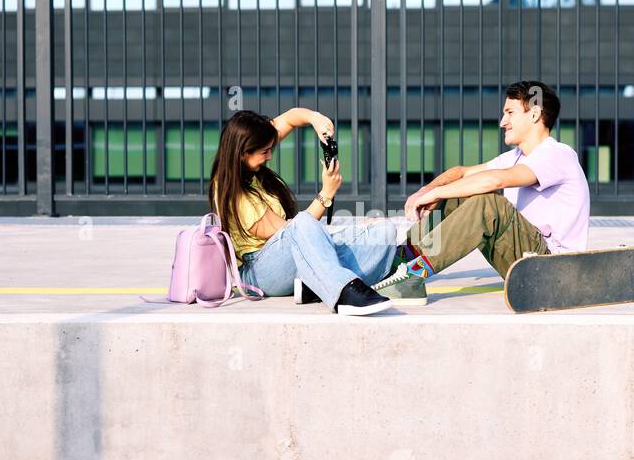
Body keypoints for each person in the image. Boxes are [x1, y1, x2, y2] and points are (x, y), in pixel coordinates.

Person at [373, 81, 590, 305]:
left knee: (489, 205)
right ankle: (400, 261)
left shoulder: (557, 154)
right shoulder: (516, 157)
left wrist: (436, 194)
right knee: (458, 194)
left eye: (510, 113)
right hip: (526, 263)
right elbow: (461, 173)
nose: (502, 122)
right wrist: (428, 190)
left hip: (553, 271)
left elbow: (496, 179)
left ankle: (413, 276)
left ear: (534, 114)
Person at [208, 108, 397, 315]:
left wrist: (315, 120)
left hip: (295, 259)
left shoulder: (253, 157)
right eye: (265, 152)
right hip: (260, 271)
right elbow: (292, 231)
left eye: (270, 148)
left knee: (383, 232)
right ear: (243, 153)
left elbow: (289, 119)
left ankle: (313, 287)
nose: (270, 156)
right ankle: (343, 293)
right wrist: (326, 193)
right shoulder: (232, 190)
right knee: (303, 222)